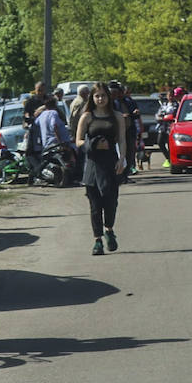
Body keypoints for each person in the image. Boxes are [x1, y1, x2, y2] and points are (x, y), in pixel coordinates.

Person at [75, 82, 128, 257]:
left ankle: (109, 230)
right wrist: (94, 144)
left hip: (111, 163)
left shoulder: (117, 116)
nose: (100, 99)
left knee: (111, 202)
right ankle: (97, 240)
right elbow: (79, 141)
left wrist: (122, 159)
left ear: (108, 97)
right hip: (92, 164)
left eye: (103, 96)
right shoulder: (87, 117)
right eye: (97, 96)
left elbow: (121, 140)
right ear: (92, 97)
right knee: (95, 205)